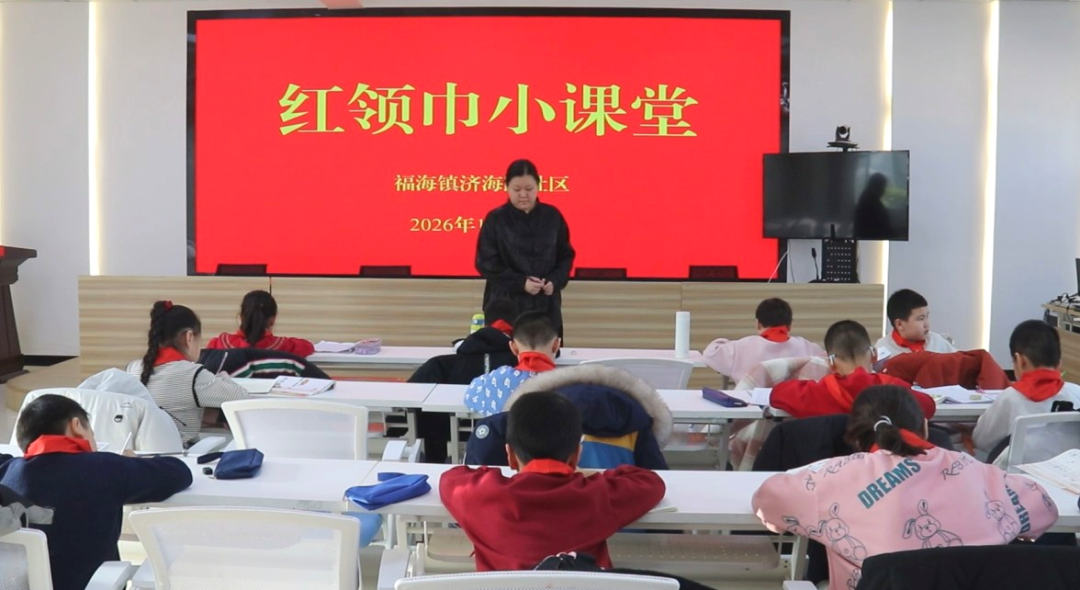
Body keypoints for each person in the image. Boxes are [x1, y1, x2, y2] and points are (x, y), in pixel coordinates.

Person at [752, 385, 1058, 590]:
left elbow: (767, 500)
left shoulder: (832, 479)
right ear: (924, 426)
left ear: (856, 439)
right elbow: (1043, 507)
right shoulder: (979, 473)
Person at [440, 391, 665, 571]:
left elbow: (450, 478)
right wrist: (590, 477)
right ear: (576, 455)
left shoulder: (481, 496)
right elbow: (650, 482)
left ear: (510, 456)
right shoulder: (599, 496)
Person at [0, 395, 192, 590]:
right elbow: (179, 473)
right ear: (76, 425)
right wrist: (133, 462)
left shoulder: (7, 472)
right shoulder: (106, 468)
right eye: (91, 433)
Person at [409, 298, 519, 463]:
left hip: (455, 429)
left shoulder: (443, 363)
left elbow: (411, 395)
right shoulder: (520, 362)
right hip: (506, 433)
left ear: (485, 322)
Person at [475, 159, 575, 336]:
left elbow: (565, 255)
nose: (523, 195)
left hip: (545, 306)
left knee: (545, 351)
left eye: (529, 189)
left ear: (538, 186)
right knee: (505, 351)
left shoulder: (552, 217)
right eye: (517, 189)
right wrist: (521, 283)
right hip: (504, 306)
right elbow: (486, 262)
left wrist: (554, 281)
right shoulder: (496, 219)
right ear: (507, 187)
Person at [127, 301, 249, 445]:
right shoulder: (193, 375)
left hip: (138, 453)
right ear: (189, 337)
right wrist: (222, 377)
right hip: (180, 454)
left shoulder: (133, 369)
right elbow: (241, 398)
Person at [770, 320, 936, 420]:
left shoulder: (818, 393)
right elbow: (928, 406)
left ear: (831, 363)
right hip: (885, 465)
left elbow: (778, 393)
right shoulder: (894, 389)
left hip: (831, 466)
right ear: (874, 355)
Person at [973, 320, 1080, 463]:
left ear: (1020, 361)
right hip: (1066, 473)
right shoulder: (1077, 392)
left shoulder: (1010, 398)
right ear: (1059, 362)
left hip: (1014, 474)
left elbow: (981, 441)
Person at [703, 298, 826, 382]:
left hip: (751, 410)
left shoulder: (740, 347)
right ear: (790, 325)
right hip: (795, 411)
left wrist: (725, 342)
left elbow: (710, 354)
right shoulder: (809, 348)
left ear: (758, 324)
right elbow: (828, 362)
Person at [464, 311, 559, 416]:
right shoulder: (568, 383)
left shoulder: (492, 382)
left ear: (513, 348)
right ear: (556, 345)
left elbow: (469, 397)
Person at [206, 290, 314, 357]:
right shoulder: (284, 345)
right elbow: (308, 347)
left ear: (241, 317)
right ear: (272, 320)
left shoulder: (219, 343)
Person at [875, 289, 957, 357]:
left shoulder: (937, 341)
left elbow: (959, 362)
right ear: (899, 324)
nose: (927, 324)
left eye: (927, 317)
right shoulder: (883, 348)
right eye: (921, 319)